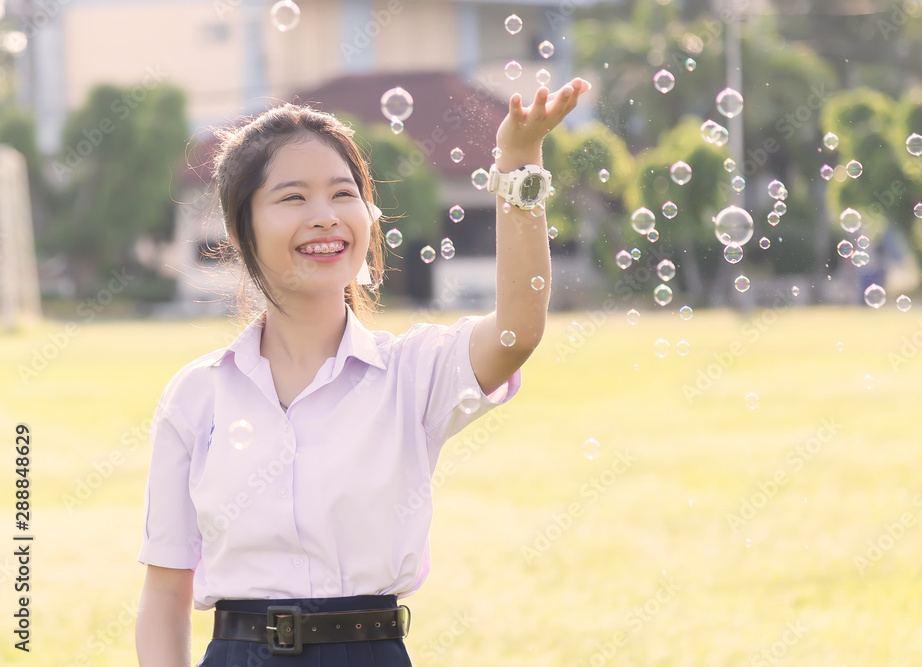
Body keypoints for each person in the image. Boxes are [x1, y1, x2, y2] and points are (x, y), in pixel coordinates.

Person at [134, 77, 591, 666]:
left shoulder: (411, 374)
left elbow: (517, 331)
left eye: (343, 194)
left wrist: (519, 162)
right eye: (293, 198)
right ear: (240, 229)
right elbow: (166, 591)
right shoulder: (196, 395)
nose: (325, 217)